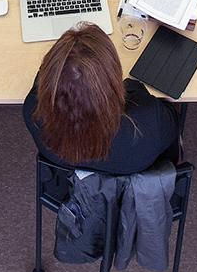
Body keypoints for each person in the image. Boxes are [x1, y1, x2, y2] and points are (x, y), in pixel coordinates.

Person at [22, 23, 178, 173]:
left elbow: (42, 78)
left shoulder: (33, 111)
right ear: (112, 79)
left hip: (67, 183)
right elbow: (172, 120)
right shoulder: (148, 122)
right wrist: (134, 88)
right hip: (131, 189)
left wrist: (57, 65)